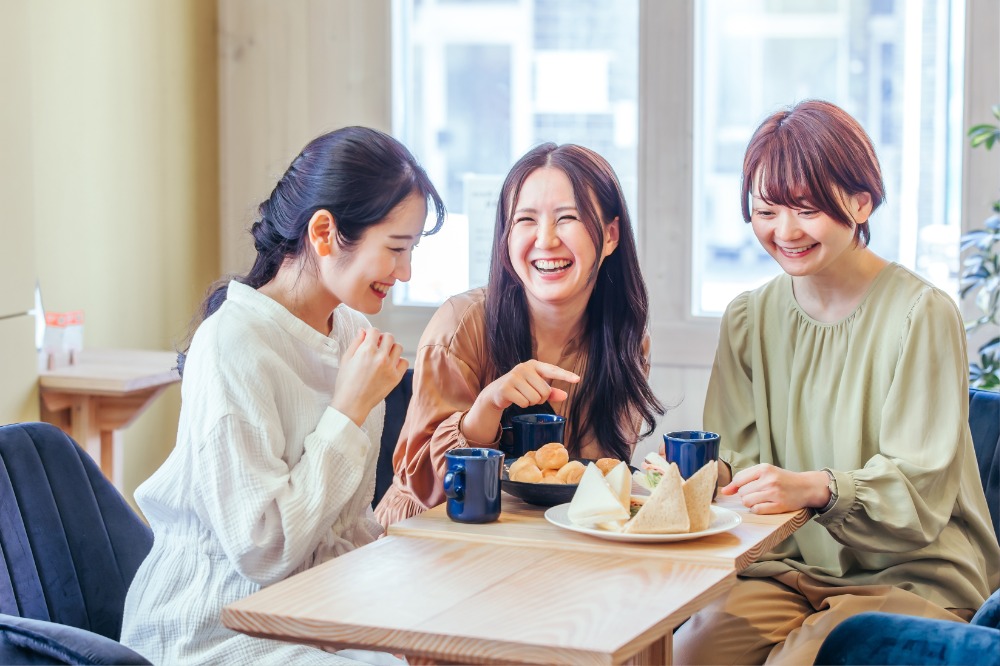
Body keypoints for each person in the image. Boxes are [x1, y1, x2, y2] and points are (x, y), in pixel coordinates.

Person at [673, 100, 1000, 665]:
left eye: (806, 208)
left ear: (860, 201)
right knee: (685, 655)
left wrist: (817, 487)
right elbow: (738, 462)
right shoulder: (749, 317)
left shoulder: (921, 314)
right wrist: (701, 477)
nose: (786, 231)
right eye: (767, 210)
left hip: (910, 576)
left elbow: (917, 495)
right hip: (785, 568)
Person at [120, 126, 445, 664]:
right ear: (324, 233)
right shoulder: (231, 344)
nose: (405, 272)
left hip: (312, 610)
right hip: (213, 624)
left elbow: (342, 524)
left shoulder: (350, 333)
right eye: (395, 249)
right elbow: (263, 550)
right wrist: (348, 410)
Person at [375, 142, 664, 528]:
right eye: (525, 220)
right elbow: (428, 488)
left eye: (567, 218)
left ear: (611, 235)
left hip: (537, 542)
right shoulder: (461, 325)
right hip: (426, 541)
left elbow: (592, 485)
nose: (545, 240)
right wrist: (487, 407)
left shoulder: (624, 337)